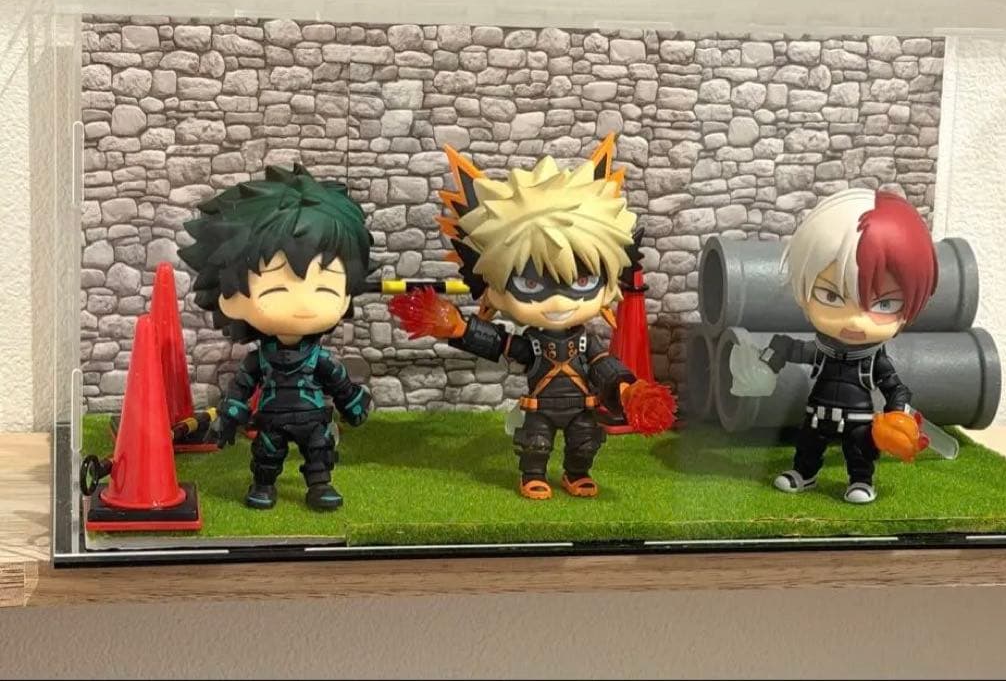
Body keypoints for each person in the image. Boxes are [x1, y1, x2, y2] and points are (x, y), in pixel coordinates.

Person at [389, 135, 676, 500]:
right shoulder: (535, 343)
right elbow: (503, 344)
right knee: (535, 445)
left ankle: (576, 473)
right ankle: (533, 474)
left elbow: (602, 364)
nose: (557, 300)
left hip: (581, 408)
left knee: (586, 442)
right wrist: (461, 329)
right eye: (529, 284)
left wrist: (626, 387)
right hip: (540, 408)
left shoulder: (585, 341)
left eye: (583, 282)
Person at [178, 164, 374, 511]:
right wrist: (229, 417)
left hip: (314, 419)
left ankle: (319, 484)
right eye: (278, 288)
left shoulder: (318, 359)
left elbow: (340, 384)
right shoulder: (261, 360)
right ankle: (264, 484)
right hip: (271, 420)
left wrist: (353, 403)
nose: (304, 303)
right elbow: (241, 388)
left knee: (319, 451)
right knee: (267, 454)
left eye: (326, 287)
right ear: (231, 297)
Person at [730, 188, 938, 503]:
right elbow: (789, 349)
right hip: (818, 413)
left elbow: (896, 388)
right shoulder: (822, 351)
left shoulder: (873, 361)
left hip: (859, 420)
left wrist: (898, 414)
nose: (854, 321)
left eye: (883, 304)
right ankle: (804, 473)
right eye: (831, 296)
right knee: (808, 443)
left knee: (859, 450)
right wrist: (766, 363)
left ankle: (861, 481)